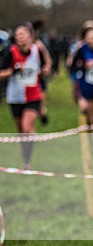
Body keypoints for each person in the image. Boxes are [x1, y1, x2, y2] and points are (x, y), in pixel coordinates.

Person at [0, 23, 50, 169]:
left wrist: (44, 71)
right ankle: (26, 159)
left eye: (22, 34)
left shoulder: (37, 50)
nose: (20, 37)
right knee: (21, 132)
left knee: (26, 126)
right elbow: (2, 73)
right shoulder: (11, 52)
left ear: (30, 35)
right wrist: (14, 70)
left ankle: (27, 160)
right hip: (15, 97)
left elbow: (45, 67)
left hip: (33, 96)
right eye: (17, 35)